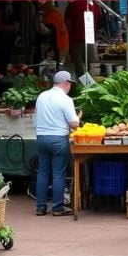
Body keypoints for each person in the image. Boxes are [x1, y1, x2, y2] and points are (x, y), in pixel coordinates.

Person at [33, 71, 79, 216]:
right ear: (66, 83)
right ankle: (57, 207)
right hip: (58, 139)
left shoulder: (42, 96)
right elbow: (74, 124)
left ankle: (40, 207)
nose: (70, 87)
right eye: (70, 84)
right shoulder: (66, 99)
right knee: (58, 173)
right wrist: (78, 118)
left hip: (41, 138)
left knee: (42, 172)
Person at [65, 0, 99, 79]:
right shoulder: (94, 5)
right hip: (89, 39)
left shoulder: (72, 5)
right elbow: (96, 22)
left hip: (75, 40)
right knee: (89, 66)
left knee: (79, 67)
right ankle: (88, 84)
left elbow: (67, 23)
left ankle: (81, 84)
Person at [37, 0, 68, 67]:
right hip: (62, 43)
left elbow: (47, 31)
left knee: (53, 64)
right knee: (59, 63)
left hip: (56, 43)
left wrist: (40, 23)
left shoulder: (51, 15)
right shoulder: (57, 13)